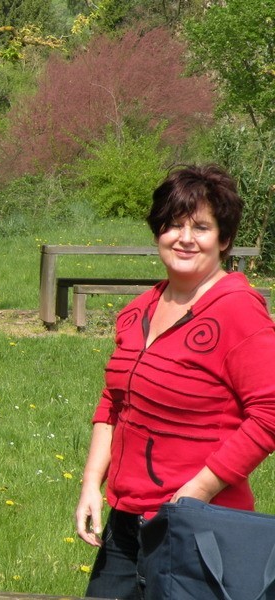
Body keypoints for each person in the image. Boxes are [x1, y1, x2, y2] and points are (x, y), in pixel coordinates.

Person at [74, 164, 275, 599]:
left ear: (223, 240)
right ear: (157, 232)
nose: (184, 237)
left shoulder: (238, 309)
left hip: (198, 528)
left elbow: (269, 414)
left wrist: (192, 495)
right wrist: (93, 482)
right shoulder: (139, 308)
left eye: (201, 227)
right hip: (126, 524)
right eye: (173, 224)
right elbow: (114, 400)